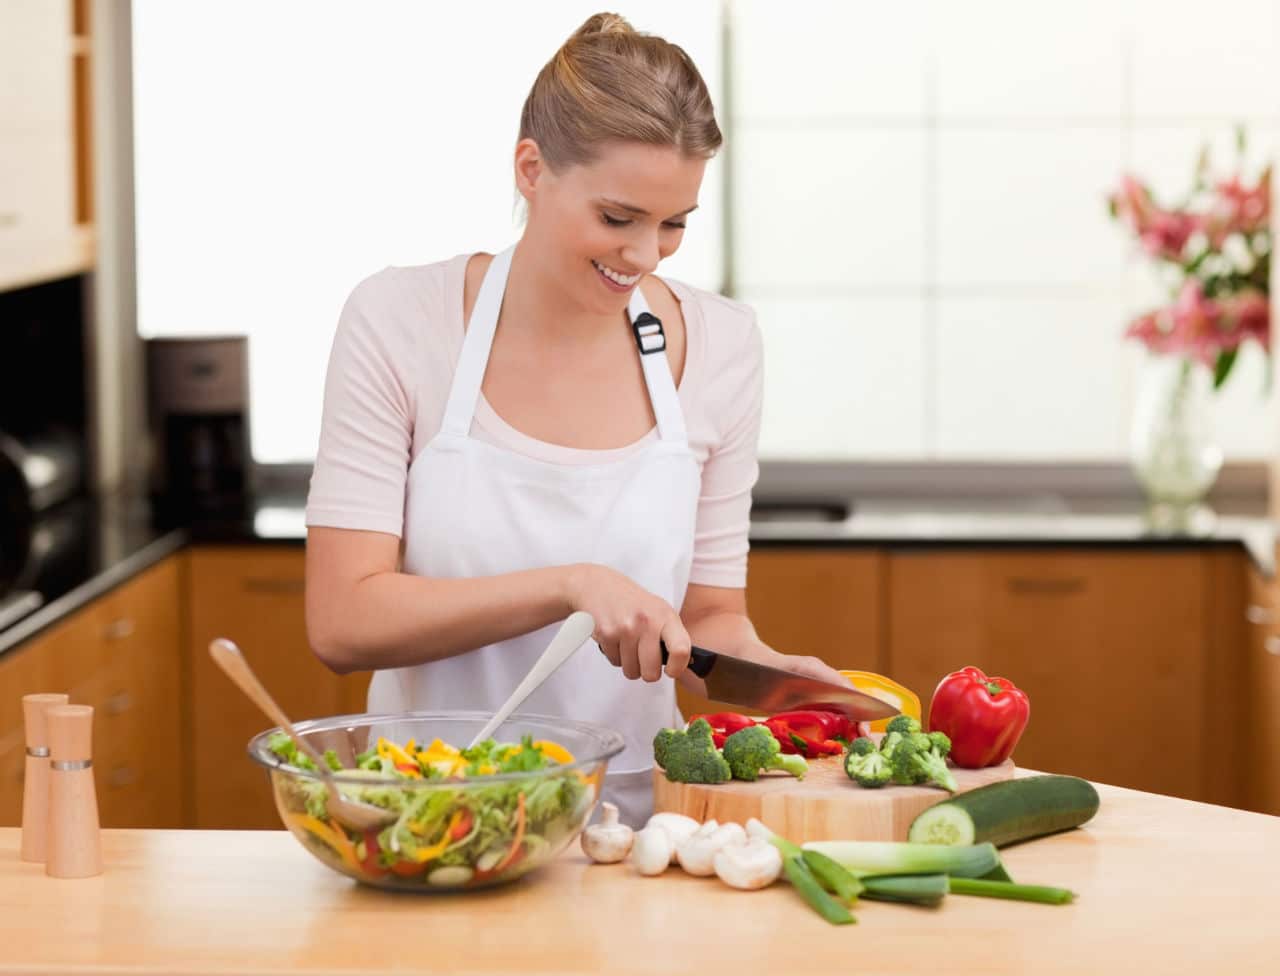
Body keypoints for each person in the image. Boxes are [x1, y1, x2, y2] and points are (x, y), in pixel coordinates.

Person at [304, 12, 846, 826]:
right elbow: (344, 621)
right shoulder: (399, 321)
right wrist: (572, 588)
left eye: (674, 224)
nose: (646, 255)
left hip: (631, 827)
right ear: (531, 169)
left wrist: (768, 671)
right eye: (618, 218)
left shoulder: (724, 346)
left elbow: (707, 619)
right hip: (425, 816)